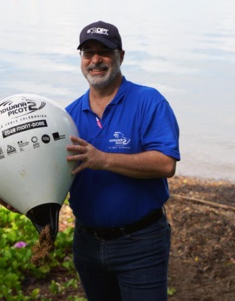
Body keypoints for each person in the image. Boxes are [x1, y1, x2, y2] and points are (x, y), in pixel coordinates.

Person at [65, 21, 180, 301]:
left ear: (121, 56)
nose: (95, 60)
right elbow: (58, 175)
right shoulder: (68, 117)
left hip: (141, 241)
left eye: (104, 52)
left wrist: (103, 159)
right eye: (88, 53)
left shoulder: (149, 101)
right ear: (81, 59)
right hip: (87, 243)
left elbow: (166, 163)